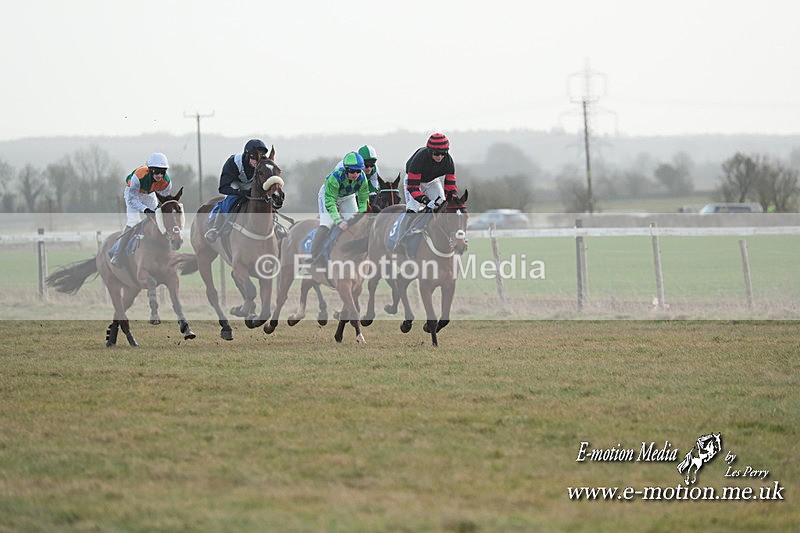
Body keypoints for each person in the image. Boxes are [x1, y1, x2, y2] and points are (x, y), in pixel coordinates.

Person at [111, 152, 172, 268]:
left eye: (162, 172)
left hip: (149, 195)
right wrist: (145, 210)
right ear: (150, 170)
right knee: (134, 221)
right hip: (133, 194)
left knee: (159, 218)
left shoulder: (167, 182)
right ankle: (117, 255)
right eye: (156, 171)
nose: (159, 175)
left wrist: (159, 210)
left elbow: (164, 200)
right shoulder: (138, 176)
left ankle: (167, 249)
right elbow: (132, 200)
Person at [308, 151, 369, 264]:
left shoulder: (362, 178)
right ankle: (313, 254)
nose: (355, 174)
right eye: (352, 171)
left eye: (358, 171)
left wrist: (359, 217)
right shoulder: (335, 177)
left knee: (358, 224)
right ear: (346, 169)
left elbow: (363, 200)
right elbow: (330, 201)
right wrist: (338, 220)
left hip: (347, 197)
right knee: (327, 224)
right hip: (328, 196)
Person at [205, 139, 269, 243]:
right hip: (235, 184)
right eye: (254, 158)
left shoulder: (263, 164)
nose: (256, 162)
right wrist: (240, 192)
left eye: (260, 158)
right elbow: (223, 188)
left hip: (252, 185)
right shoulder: (233, 162)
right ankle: (215, 229)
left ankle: (274, 225)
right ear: (247, 155)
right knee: (230, 200)